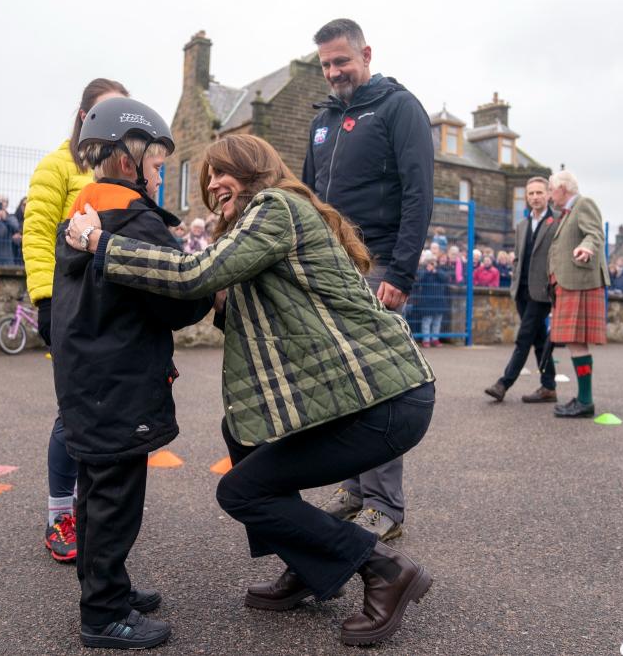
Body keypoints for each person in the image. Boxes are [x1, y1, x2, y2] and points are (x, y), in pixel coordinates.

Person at [68, 133, 436, 648]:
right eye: (208, 177)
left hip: (385, 400)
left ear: (256, 168)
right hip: (368, 396)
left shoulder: (274, 206)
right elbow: (240, 308)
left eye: (224, 171)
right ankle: (308, 565)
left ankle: (383, 569)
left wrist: (100, 243)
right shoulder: (256, 230)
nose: (214, 183)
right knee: (239, 432)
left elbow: (195, 274)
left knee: (240, 490)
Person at [53, 97, 213, 650]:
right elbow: (176, 298)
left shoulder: (83, 213)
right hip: (121, 379)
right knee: (117, 498)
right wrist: (208, 286)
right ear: (128, 159)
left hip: (87, 376)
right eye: (157, 163)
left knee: (95, 488)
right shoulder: (137, 218)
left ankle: (106, 586)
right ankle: (103, 615)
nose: (161, 174)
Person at [301, 18, 434, 542]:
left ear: (366, 54)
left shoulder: (399, 108)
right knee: (340, 382)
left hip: (378, 264)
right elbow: (308, 199)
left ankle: (384, 504)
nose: (335, 72)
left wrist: (400, 270)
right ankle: (354, 489)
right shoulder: (324, 119)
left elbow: (419, 194)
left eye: (342, 61)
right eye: (327, 65)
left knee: (378, 384)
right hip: (330, 267)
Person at [22, 78, 128, 563]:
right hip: (69, 305)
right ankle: (59, 516)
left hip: (113, 308)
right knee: (72, 414)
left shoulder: (127, 168)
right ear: (83, 115)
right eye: (103, 111)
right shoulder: (57, 166)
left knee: (105, 412)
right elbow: (39, 235)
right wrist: (46, 301)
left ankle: (90, 516)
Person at [485, 176, 558, 403]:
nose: (535, 197)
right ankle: (549, 387)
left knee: (524, 337)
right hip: (521, 291)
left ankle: (503, 383)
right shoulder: (522, 224)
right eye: (531, 194)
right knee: (537, 340)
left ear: (548, 194)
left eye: (539, 193)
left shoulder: (556, 222)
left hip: (542, 292)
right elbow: (518, 257)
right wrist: (514, 281)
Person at [547, 170, 610, 418]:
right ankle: (584, 399)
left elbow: (595, 233)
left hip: (579, 283)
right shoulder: (567, 213)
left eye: (551, 189)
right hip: (568, 284)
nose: (551, 195)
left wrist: (586, 246)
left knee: (576, 342)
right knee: (575, 342)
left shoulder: (584, 204)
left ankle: (585, 401)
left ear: (563, 188)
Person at [417, 253, 448, 348]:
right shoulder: (423, 271)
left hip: (439, 300)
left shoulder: (440, 270)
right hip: (427, 300)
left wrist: (436, 271)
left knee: (437, 321)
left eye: (433, 263)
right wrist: (428, 271)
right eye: (430, 263)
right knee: (427, 321)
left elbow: (445, 278)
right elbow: (419, 279)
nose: (432, 264)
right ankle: (426, 340)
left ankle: (435, 339)